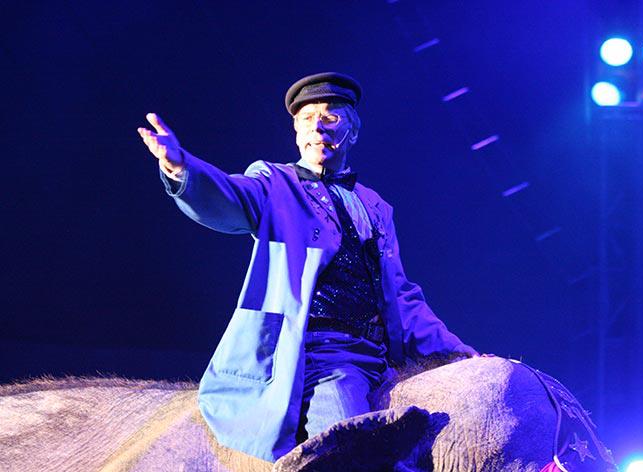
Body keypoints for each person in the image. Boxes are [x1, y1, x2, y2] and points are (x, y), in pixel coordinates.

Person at [137, 72, 477, 462]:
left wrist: (457, 351)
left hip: (380, 360)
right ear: (296, 131)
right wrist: (181, 167)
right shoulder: (273, 182)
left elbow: (401, 297)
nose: (317, 127)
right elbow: (228, 196)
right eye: (307, 118)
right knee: (349, 455)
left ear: (352, 130)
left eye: (330, 117)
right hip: (323, 357)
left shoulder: (376, 206)